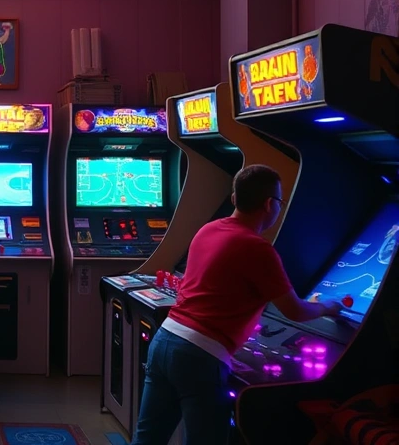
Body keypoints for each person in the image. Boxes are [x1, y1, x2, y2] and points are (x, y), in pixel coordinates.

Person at [131, 165, 343, 445]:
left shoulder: (209, 229)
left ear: (233, 199)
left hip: (166, 338)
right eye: (280, 202)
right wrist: (327, 307)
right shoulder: (257, 248)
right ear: (270, 205)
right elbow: (294, 310)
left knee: (148, 439)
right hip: (200, 354)